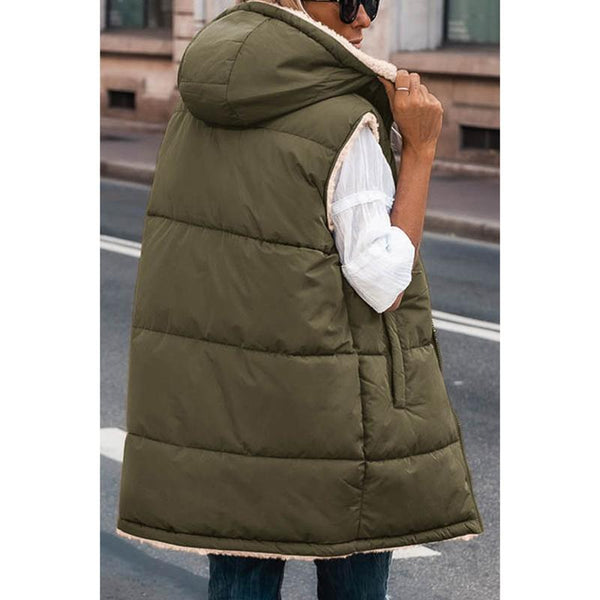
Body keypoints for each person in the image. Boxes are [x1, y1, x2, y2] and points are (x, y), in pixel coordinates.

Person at [116, 1, 484, 599]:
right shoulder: (345, 121)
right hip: (336, 422)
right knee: (353, 570)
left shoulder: (199, 106)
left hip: (224, 411)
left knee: (241, 576)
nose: (363, 19)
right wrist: (420, 150)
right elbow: (384, 281)